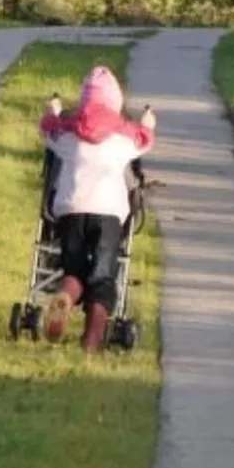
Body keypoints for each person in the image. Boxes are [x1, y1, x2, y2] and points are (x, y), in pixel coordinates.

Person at [38, 66, 156, 352]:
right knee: (103, 276)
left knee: (74, 269)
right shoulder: (122, 139)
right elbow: (144, 141)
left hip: (70, 210)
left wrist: (53, 112)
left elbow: (46, 130)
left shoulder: (68, 136)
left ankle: (66, 296)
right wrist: (148, 123)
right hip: (108, 214)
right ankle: (90, 341)